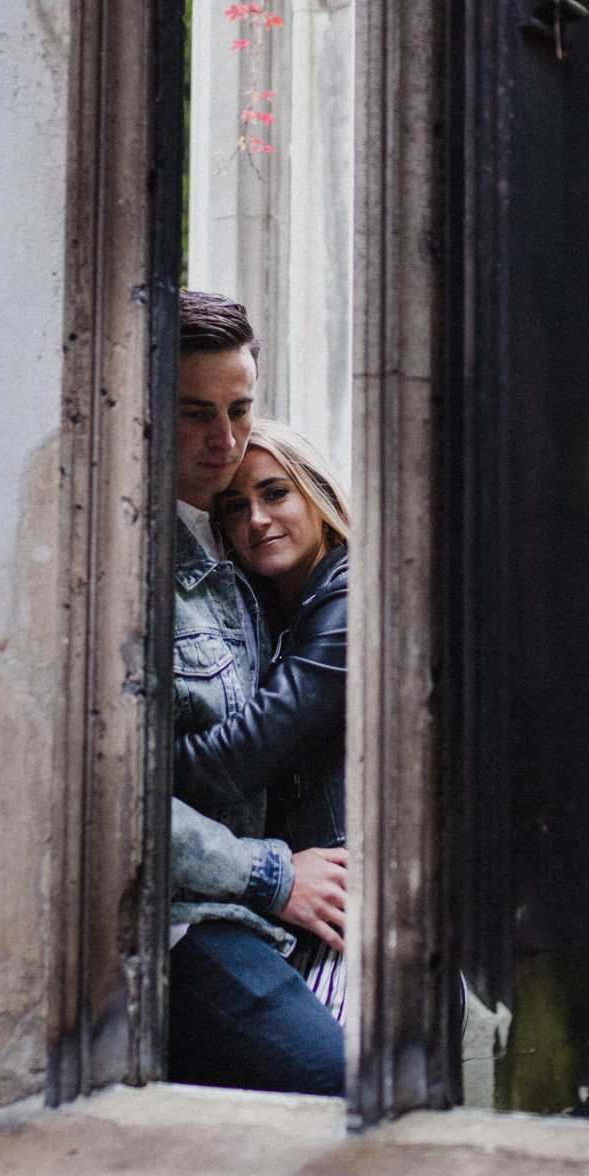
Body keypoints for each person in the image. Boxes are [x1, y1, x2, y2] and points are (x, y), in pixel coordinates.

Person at [163, 294, 348, 1095]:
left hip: (271, 906)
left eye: (240, 409)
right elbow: (119, 796)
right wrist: (273, 873)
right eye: (196, 413)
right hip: (190, 913)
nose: (225, 441)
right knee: (341, 1083)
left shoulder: (257, 580)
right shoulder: (140, 557)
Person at [179, 420, 351, 1028]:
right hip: (295, 913)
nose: (255, 519)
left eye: (275, 493)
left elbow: (251, 749)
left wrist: (133, 772)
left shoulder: (352, 595)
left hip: (345, 918)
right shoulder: (267, 609)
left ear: (317, 495)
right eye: (235, 506)